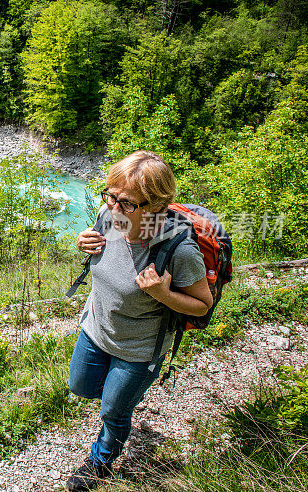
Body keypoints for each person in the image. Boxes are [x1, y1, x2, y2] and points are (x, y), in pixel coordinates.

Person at [65, 151, 213, 492]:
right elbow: (101, 252)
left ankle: (101, 460)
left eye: (127, 203)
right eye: (111, 196)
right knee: (81, 387)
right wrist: (82, 243)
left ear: (156, 205)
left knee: (114, 413)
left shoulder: (179, 251)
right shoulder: (108, 215)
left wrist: (163, 294)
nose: (114, 208)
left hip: (139, 349)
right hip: (96, 329)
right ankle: (120, 397)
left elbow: (202, 306)